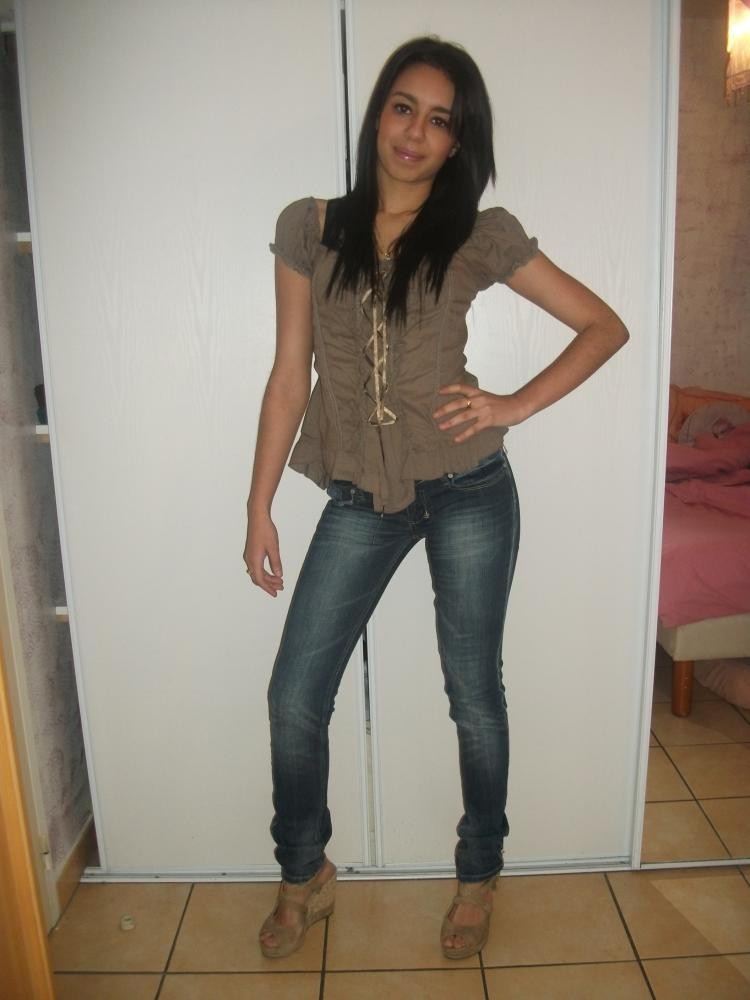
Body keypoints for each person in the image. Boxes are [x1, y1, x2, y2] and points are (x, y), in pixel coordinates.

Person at [243, 35, 628, 960]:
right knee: (295, 695)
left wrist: (512, 404)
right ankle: (304, 873)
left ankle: (478, 872)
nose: (415, 132)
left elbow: (602, 326)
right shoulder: (310, 227)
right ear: (379, 113)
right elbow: (290, 375)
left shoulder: (476, 233)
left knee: (473, 693)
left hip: (468, 487)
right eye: (403, 107)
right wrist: (258, 506)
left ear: (459, 141)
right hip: (360, 495)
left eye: (440, 120)